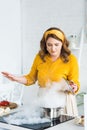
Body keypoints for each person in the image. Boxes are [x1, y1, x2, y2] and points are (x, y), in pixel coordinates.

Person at [2, 27, 80, 116]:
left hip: (63, 102)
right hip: (43, 99)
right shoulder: (39, 57)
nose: (53, 49)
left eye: (56, 44)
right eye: (49, 45)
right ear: (45, 45)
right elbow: (31, 78)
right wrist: (15, 78)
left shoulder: (71, 59)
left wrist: (74, 87)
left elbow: (75, 82)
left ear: (63, 44)